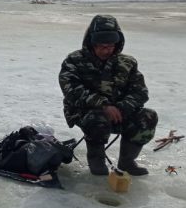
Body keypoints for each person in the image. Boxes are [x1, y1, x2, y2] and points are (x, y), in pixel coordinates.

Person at [59, 15, 158, 176]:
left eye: (110, 46)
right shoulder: (74, 60)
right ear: (92, 43)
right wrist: (104, 105)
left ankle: (127, 162)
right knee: (98, 118)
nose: (106, 50)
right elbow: (71, 90)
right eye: (102, 46)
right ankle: (96, 160)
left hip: (120, 112)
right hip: (85, 112)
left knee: (148, 116)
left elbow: (140, 92)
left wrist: (121, 107)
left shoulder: (127, 63)